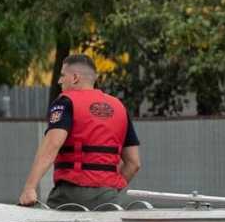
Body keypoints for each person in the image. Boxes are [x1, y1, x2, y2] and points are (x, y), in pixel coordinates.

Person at [18, 53, 141, 210]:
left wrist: (29, 188)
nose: (59, 80)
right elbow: (134, 162)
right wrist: (110, 191)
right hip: (109, 198)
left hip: (70, 195)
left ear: (75, 78)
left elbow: (51, 146)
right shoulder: (119, 107)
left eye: (63, 75)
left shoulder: (66, 102)